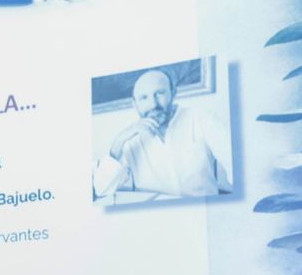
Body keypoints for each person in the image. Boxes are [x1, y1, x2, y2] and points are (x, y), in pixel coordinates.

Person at [93, 67, 232, 200]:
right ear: (134, 104)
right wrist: (118, 142)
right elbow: (102, 189)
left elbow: (236, 167)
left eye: (159, 93)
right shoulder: (129, 139)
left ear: (173, 93)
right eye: (144, 97)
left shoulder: (202, 119)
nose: (153, 104)